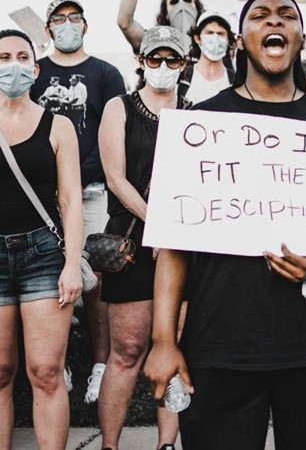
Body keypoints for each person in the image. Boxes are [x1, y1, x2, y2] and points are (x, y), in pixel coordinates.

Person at [143, 0, 306, 450]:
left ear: (299, 36)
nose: (274, 22)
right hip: (221, 345)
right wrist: (162, 340)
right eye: (260, 15)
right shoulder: (200, 125)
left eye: (286, 16)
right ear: (241, 40)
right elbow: (172, 245)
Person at [96, 26, 193, 450]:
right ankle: (110, 445)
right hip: (134, 243)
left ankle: (166, 445)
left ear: (184, 65)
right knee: (127, 352)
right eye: (155, 59)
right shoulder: (119, 108)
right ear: (140, 62)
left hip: (183, 246)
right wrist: (156, 222)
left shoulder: (197, 113)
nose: (163, 67)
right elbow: (116, 179)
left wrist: (174, 231)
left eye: (172, 59)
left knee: (173, 348)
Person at [29, 0, 127, 404]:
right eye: (58, 19)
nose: (67, 24)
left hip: (93, 193)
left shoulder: (105, 73)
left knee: (97, 277)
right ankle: (58, 359)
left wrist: (79, 175)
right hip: (42, 196)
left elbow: (112, 130)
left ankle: (101, 365)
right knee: (50, 275)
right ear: (48, 28)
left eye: (74, 18)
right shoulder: (36, 73)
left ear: (85, 25)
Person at [0, 29, 84, 450]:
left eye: (20, 56)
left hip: (43, 256)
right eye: (1, 56)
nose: (11, 64)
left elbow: (70, 200)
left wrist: (72, 264)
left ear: (35, 67)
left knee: (46, 371)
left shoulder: (58, 125)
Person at [182, 12, 236, 104]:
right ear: (197, 38)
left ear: (228, 40)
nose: (215, 38)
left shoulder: (235, 82)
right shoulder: (182, 79)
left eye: (220, 33)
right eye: (209, 33)